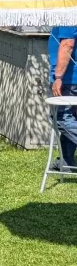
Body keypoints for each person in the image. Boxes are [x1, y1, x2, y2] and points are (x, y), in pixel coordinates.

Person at [49, 26, 77, 168]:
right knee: (72, 118)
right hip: (71, 79)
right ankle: (65, 163)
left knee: (60, 118)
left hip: (69, 79)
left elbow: (68, 44)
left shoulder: (69, 12)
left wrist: (58, 76)